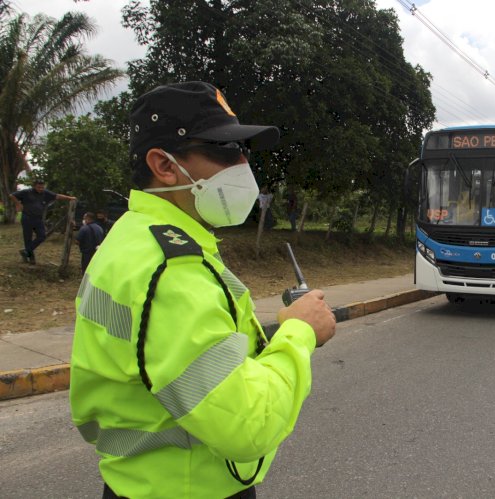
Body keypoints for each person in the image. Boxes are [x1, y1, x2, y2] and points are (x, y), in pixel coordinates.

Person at [69, 81, 336, 499]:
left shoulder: (135, 237)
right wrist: (299, 332)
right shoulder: (169, 267)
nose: (243, 165)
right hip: (189, 488)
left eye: (244, 150)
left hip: (145, 482)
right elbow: (247, 425)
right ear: (164, 165)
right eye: (224, 150)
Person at [10, 179, 76, 264]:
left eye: (42, 187)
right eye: (39, 187)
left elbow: (57, 196)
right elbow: (12, 195)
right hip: (27, 218)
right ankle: (31, 258)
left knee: (42, 236)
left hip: (38, 219)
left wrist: (70, 198)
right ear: (34, 186)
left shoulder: (45, 193)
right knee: (28, 239)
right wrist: (18, 204)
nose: (41, 189)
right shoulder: (26, 192)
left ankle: (26, 251)